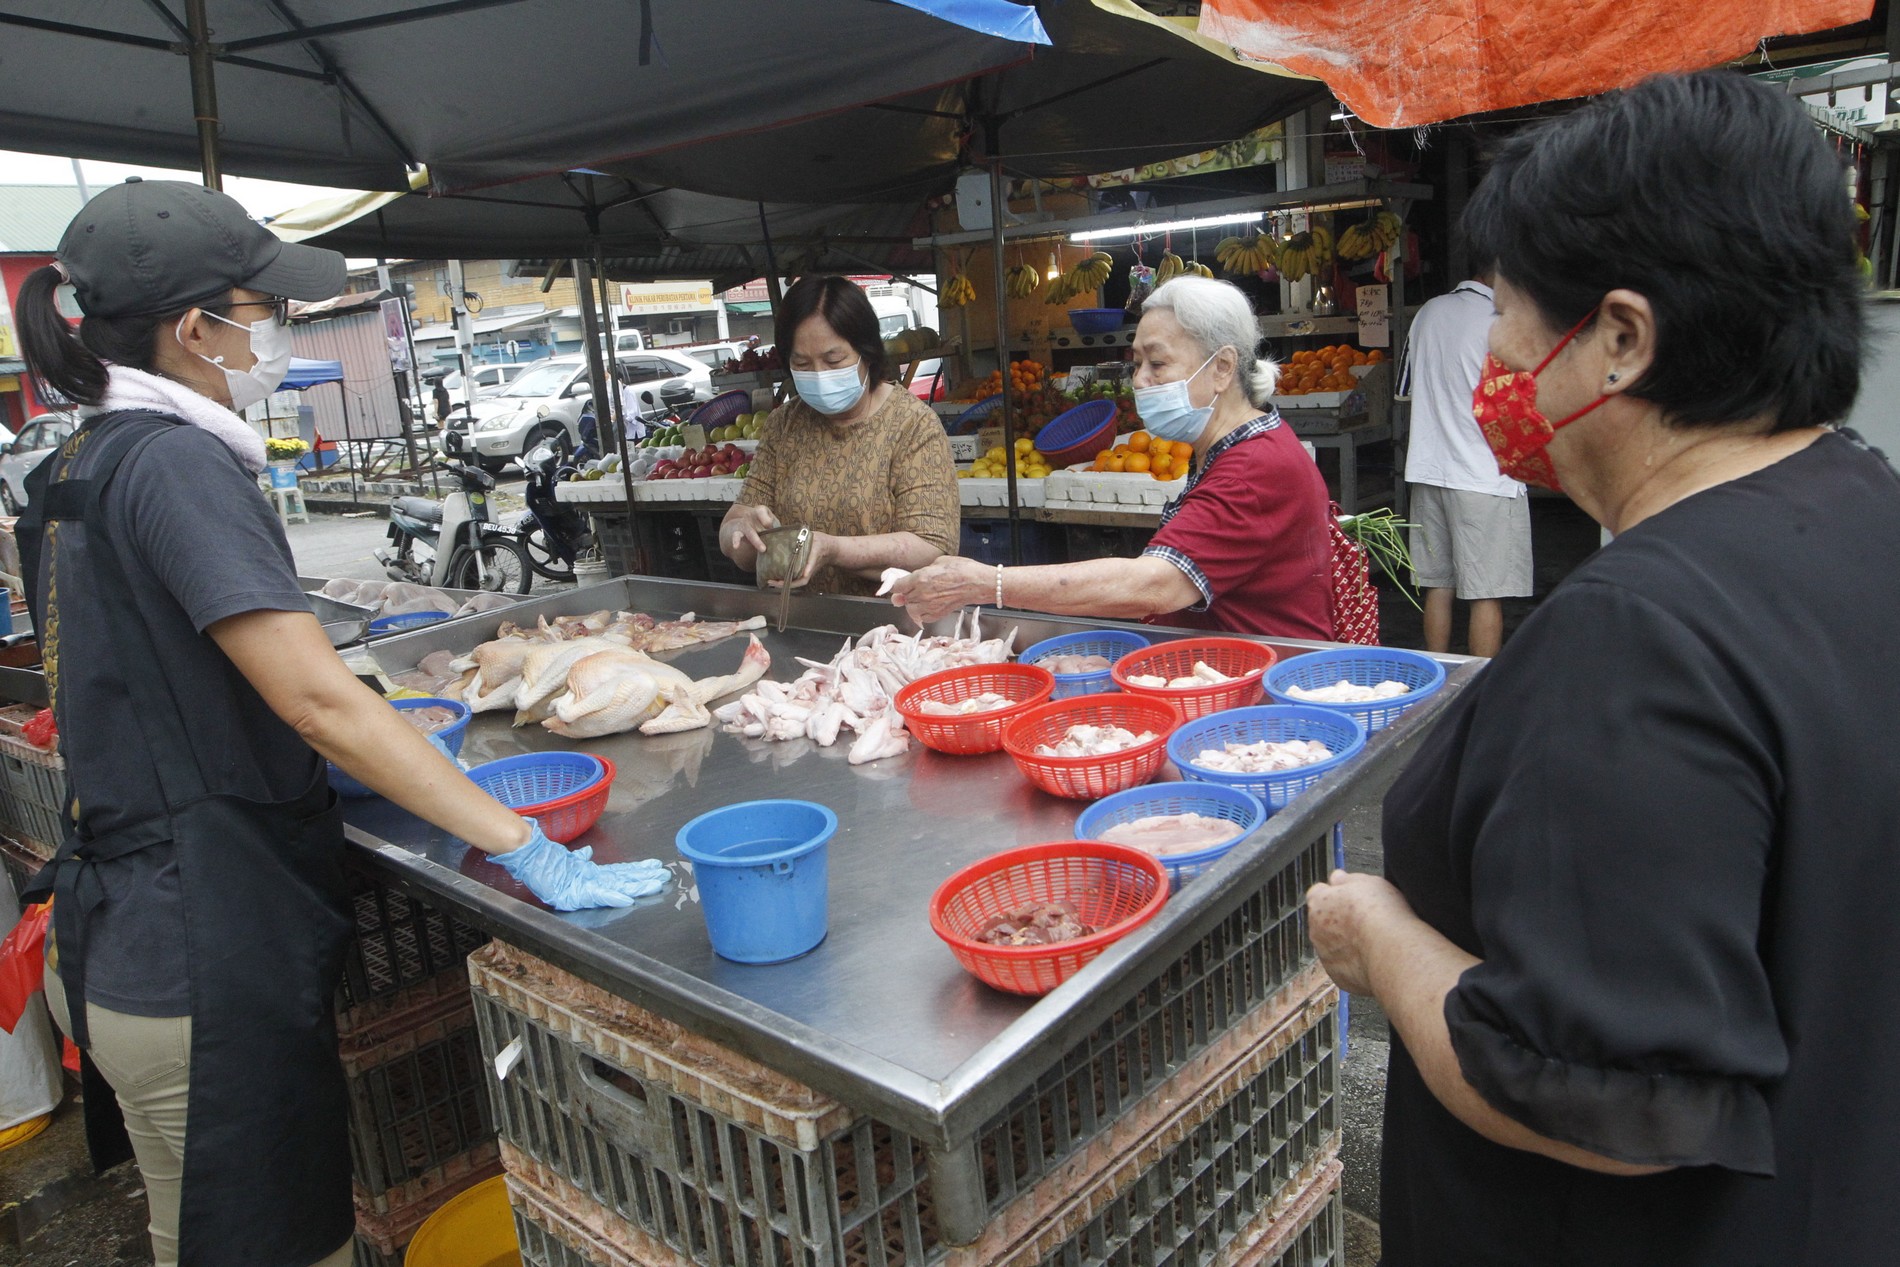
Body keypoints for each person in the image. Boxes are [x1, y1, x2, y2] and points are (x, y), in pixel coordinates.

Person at [11, 178, 665, 1267]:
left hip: (123, 936)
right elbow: (314, 698)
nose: (274, 330)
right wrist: (525, 846)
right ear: (194, 330)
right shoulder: (176, 465)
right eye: (259, 309)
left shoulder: (80, 461)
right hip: (200, 964)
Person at [1306, 71, 1900, 1264]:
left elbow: (1597, 1100)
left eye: (1510, 323)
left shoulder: (1638, 636)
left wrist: (1377, 936)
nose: (1494, 372)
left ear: (1620, 339)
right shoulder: (1862, 503)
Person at [891, 276, 1333, 638]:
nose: (1138, 381)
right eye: (1136, 363)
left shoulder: (1253, 467)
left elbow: (1155, 584)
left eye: (1157, 365)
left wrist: (986, 582)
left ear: (1221, 368)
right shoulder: (1229, 448)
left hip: (1270, 690)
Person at [718, 275, 956, 595]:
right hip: (800, 623)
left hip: (891, 629)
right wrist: (741, 533)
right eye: (802, 363)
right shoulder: (784, 426)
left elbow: (932, 545)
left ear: (866, 353)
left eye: (834, 360)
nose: (819, 375)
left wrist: (832, 549)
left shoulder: (913, 427)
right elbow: (735, 531)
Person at [1401, 264, 1530, 657]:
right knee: (1485, 595)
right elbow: (1520, 406)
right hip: (1483, 476)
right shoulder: (1501, 322)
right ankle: (1477, 691)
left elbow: (1405, 389)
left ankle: (1439, 682)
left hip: (1428, 470)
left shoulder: (1429, 312)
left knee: (1438, 586)